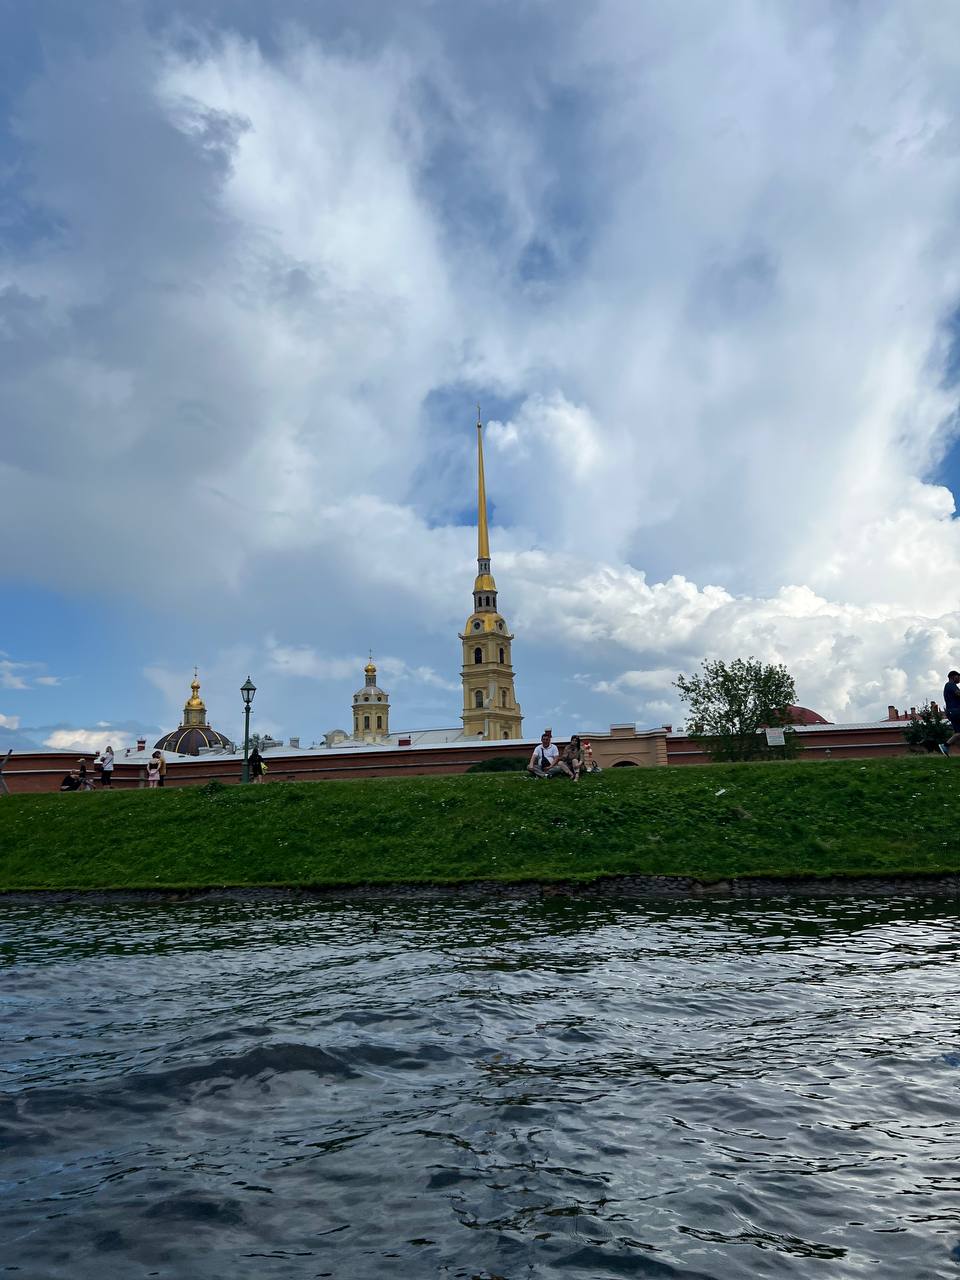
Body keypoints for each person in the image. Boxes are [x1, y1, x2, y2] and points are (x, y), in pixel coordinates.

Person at [939, 670, 960, 755]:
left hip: (952, 712)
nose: (959, 679)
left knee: (958, 734)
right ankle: (945, 746)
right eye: (958, 676)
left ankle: (945, 746)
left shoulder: (950, 686)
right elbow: (958, 694)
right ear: (953, 676)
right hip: (955, 711)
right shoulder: (951, 685)